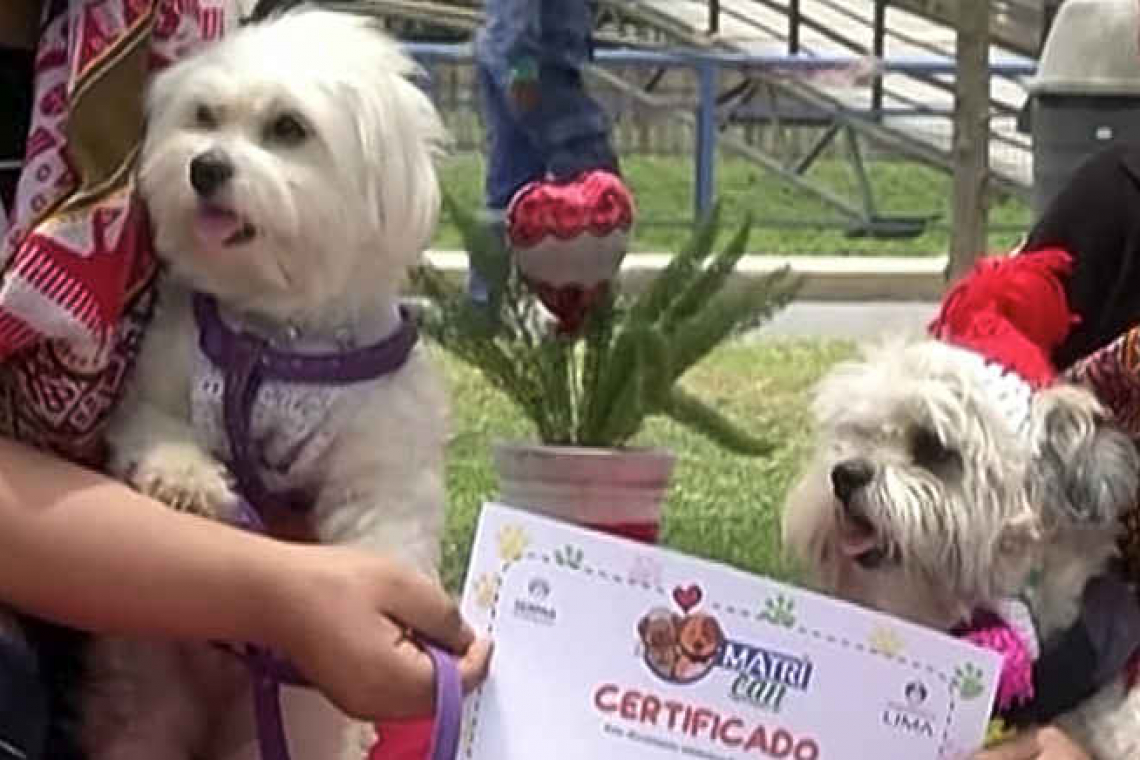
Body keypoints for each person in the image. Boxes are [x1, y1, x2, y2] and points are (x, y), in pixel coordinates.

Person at [0, 2, 489, 758]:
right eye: (205, 121)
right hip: (133, 635)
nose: (215, 160)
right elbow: (151, 424)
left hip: (287, 672)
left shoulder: (154, 29)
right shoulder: (184, 335)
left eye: (284, 132)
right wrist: (272, 584)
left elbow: (390, 508)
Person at [470, 0, 631, 302]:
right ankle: (593, 311)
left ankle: (482, 310)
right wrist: (523, 68)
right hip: (539, 68)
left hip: (514, 57)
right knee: (600, 188)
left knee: (507, 194)